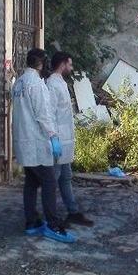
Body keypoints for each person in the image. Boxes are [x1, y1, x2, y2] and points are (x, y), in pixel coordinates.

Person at [12, 48, 75, 243]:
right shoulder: (36, 84)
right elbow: (43, 114)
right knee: (49, 182)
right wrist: (53, 136)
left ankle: (31, 222)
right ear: (41, 63)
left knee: (31, 182)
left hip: (24, 141)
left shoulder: (20, 82)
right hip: (36, 142)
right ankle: (53, 224)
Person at [46, 52, 94, 227]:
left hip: (65, 140)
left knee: (65, 177)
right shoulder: (52, 84)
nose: (71, 68)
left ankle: (72, 212)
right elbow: (49, 113)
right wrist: (53, 138)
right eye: (70, 64)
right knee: (53, 179)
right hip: (58, 139)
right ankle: (51, 217)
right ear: (63, 64)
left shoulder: (60, 83)